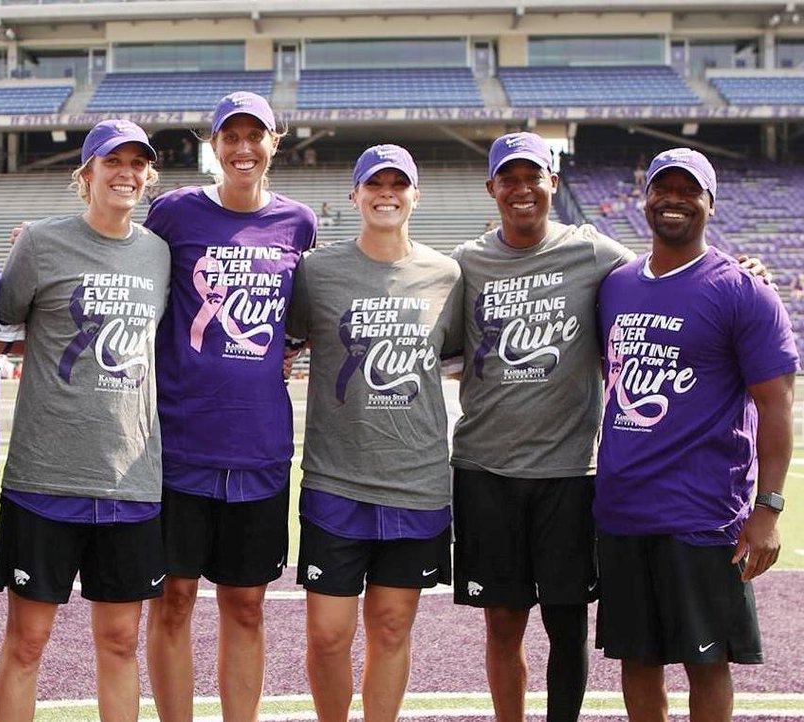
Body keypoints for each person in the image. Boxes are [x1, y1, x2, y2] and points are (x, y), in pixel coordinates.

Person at [594, 148, 796, 722]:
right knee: (637, 659)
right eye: (664, 188)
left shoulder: (743, 290)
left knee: (707, 662)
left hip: (702, 513)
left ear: (711, 203)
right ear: (645, 199)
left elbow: (776, 406)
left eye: (690, 191)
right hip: (622, 509)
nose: (674, 200)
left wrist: (768, 509)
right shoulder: (617, 285)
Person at [143, 91, 316, 722]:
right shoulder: (173, 213)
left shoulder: (298, 223)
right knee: (174, 600)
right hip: (179, 444)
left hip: (258, 448)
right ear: (213, 144)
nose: (243, 148)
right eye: (231, 137)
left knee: (246, 605)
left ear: (275, 142)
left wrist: (286, 350)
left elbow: (299, 320)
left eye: (255, 136)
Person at [0, 119, 170, 722]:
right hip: (45, 479)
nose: (126, 173)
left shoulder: (158, 253)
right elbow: (0, 334)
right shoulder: (40, 242)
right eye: (112, 161)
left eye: (137, 163)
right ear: (85, 173)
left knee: (120, 642)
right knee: (27, 641)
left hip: (130, 480)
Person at [449, 132, 633, 722]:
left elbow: (664, 276)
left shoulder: (593, 251)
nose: (522, 188)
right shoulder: (466, 263)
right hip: (486, 470)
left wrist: (739, 269)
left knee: (566, 621)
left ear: (553, 182)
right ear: (492, 188)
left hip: (569, 473)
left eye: (533, 177)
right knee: (503, 622)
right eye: (510, 178)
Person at [286, 145, 461, 722]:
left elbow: (460, 359)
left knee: (390, 627)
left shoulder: (447, 275)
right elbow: (285, 341)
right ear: (355, 194)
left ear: (416, 195)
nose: (387, 193)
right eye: (375, 184)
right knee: (327, 634)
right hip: (336, 480)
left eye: (398, 184)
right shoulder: (317, 271)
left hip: (415, 481)